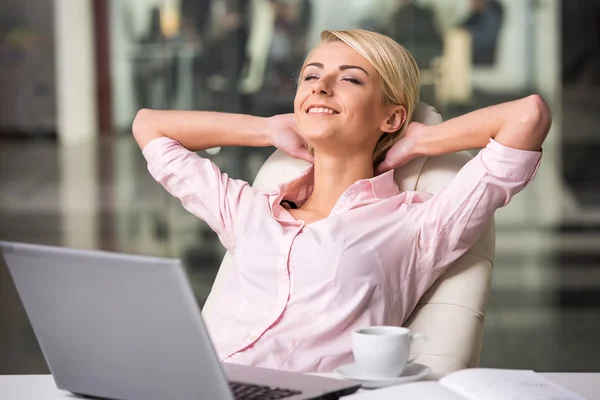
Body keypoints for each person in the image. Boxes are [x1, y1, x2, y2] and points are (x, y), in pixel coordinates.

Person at [132, 29, 551, 373]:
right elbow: (149, 126)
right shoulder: (249, 209)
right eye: (310, 77)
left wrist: (423, 139)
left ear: (391, 117)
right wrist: (265, 129)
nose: (321, 86)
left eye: (349, 79)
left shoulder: (416, 225)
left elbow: (528, 116)